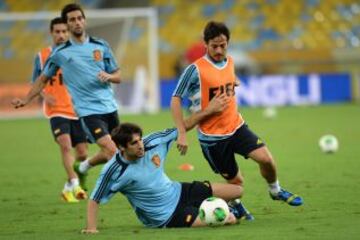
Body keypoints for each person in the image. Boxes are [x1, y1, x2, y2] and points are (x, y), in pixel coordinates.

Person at [170, 21, 303, 219]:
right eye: (214, 46)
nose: (218, 50)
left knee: (267, 159)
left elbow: (227, 79)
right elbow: (175, 98)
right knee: (236, 184)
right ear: (205, 44)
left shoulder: (230, 62)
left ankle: (275, 190)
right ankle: (236, 204)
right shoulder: (194, 70)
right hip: (213, 139)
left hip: (237, 126)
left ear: (228, 43)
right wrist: (182, 132)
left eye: (223, 45)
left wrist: (232, 83)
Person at [82, 100, 251, 233]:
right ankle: (226, 211)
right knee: (228, 219)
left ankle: (226, 206)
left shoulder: (153, 142)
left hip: (179, 191)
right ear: (121, 148)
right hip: (168, 216)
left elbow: (182, 126)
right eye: (134, 143)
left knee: (237, 190)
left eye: (140, 139)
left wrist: (209, 110)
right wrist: (91, 227)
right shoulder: (113, 170)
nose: (140, 145)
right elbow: (94, 198)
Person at [12, 3, 121, 190]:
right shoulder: (59, 53)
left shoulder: (101, 46)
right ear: (67, 24)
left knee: (117, 150)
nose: (77, 22)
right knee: (112, 150)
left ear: (84, 21)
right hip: (86, 111)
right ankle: (116, 189)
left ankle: (84, 166)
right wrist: (26, 100)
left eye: (79, 18)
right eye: (72, 20)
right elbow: (42, 79)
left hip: (109, 107)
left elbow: (118, 75)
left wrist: (110, 76)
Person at [31, 17, 89, 202]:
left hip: (77, 110)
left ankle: (68, 186)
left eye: (64, 31)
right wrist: (43, 95)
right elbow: (35, 81)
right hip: (55, 109)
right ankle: (75, 183)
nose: (61, 35)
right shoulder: (42, 56)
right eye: (57, 31)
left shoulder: (78, 53)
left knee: (82, 154)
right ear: (52, 33)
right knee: (65, 145)